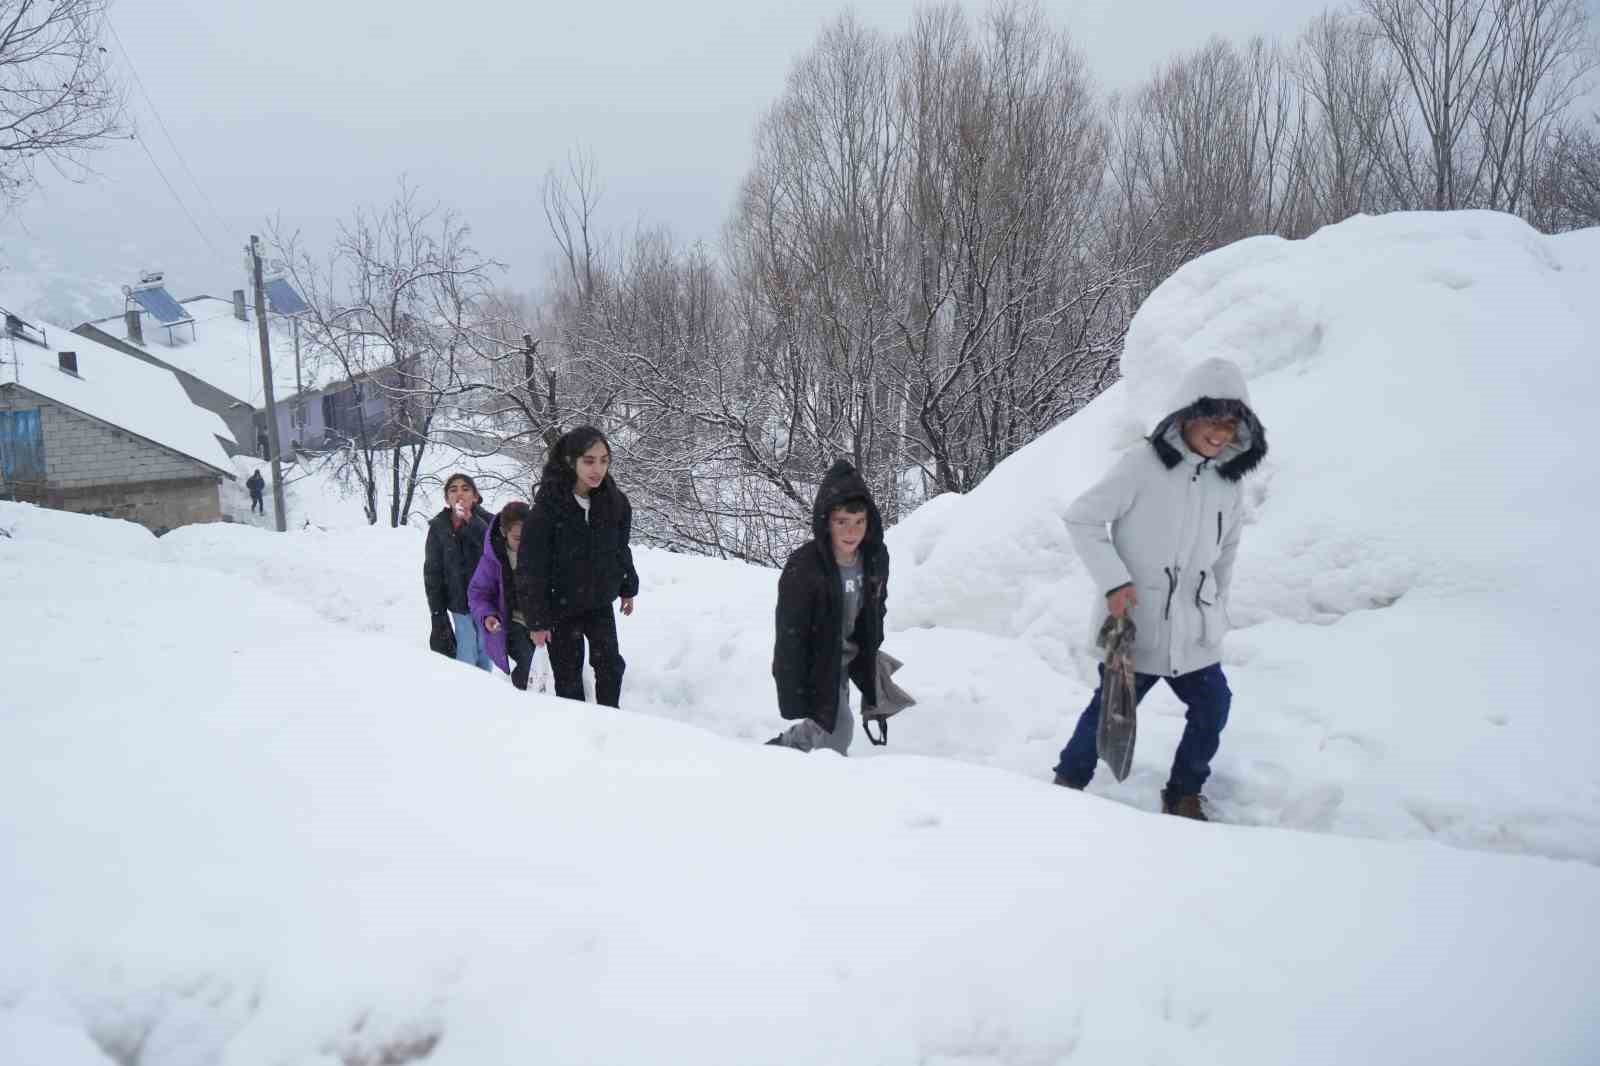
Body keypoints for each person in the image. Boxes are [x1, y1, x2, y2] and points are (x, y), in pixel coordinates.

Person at [1050, 357, 1267, 820]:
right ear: (1188, 414)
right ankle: (1067, 782)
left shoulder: (1228, 483)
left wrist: (1217, 610)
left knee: (1214, 706)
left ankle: (1184, 791)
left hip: (1193, 630)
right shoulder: (1142, 466)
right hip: (1136, 623)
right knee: (1110, 710)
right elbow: (1082, 518)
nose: (1221, 433)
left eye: (1231, 423)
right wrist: (1115, 581)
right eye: (1213, 419)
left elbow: (1226, 552)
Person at [766, 459, 891, 754]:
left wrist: (873, 648)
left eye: (859, 522)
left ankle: (785, 748)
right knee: (838, 730)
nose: (852, 531)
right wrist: (791, 679)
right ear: (826, 521)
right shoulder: (806, 566)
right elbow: (790, 631)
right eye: (842, 522)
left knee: (827, 721)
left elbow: (877, 604)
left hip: (853, 652)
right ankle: (827, 784)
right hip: (819, 661)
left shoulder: (875, 558)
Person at [514, 427, 639, 707]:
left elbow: (620, 548)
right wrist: (536, 620)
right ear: (571, 461)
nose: (598, 468)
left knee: (610, 666)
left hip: (598, 602)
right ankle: (578, 733)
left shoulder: (615, 503)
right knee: (568, 677)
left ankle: (612, 721)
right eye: (589, 461)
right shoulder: (547, 509)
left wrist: (627, 587)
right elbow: (530, 568)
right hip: (561, 606)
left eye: (604, 460)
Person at [424, 472, 494, 672]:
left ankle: (487, 693)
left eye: (465, 489)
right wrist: (437, 613)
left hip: (487, 601)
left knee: (485, 651)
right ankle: (466, 694)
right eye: (453, 490)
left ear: (475, 496)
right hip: (458, 602)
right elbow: (432, 572)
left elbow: (493, 550)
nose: (459, 494)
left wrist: (471, 521)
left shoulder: (489, 522)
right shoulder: (439, 527)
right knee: (466, 651)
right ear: (447, 499)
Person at [468, 501, 539, 690]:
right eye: (517, 538)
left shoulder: (542, 552)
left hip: (541, 621)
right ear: (503, 533)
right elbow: (478, 593)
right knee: (528, 663)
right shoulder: (493, 560)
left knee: (547, 668)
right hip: (513, 622)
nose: (524, 543)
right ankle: (520, 695)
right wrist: (488, 615)